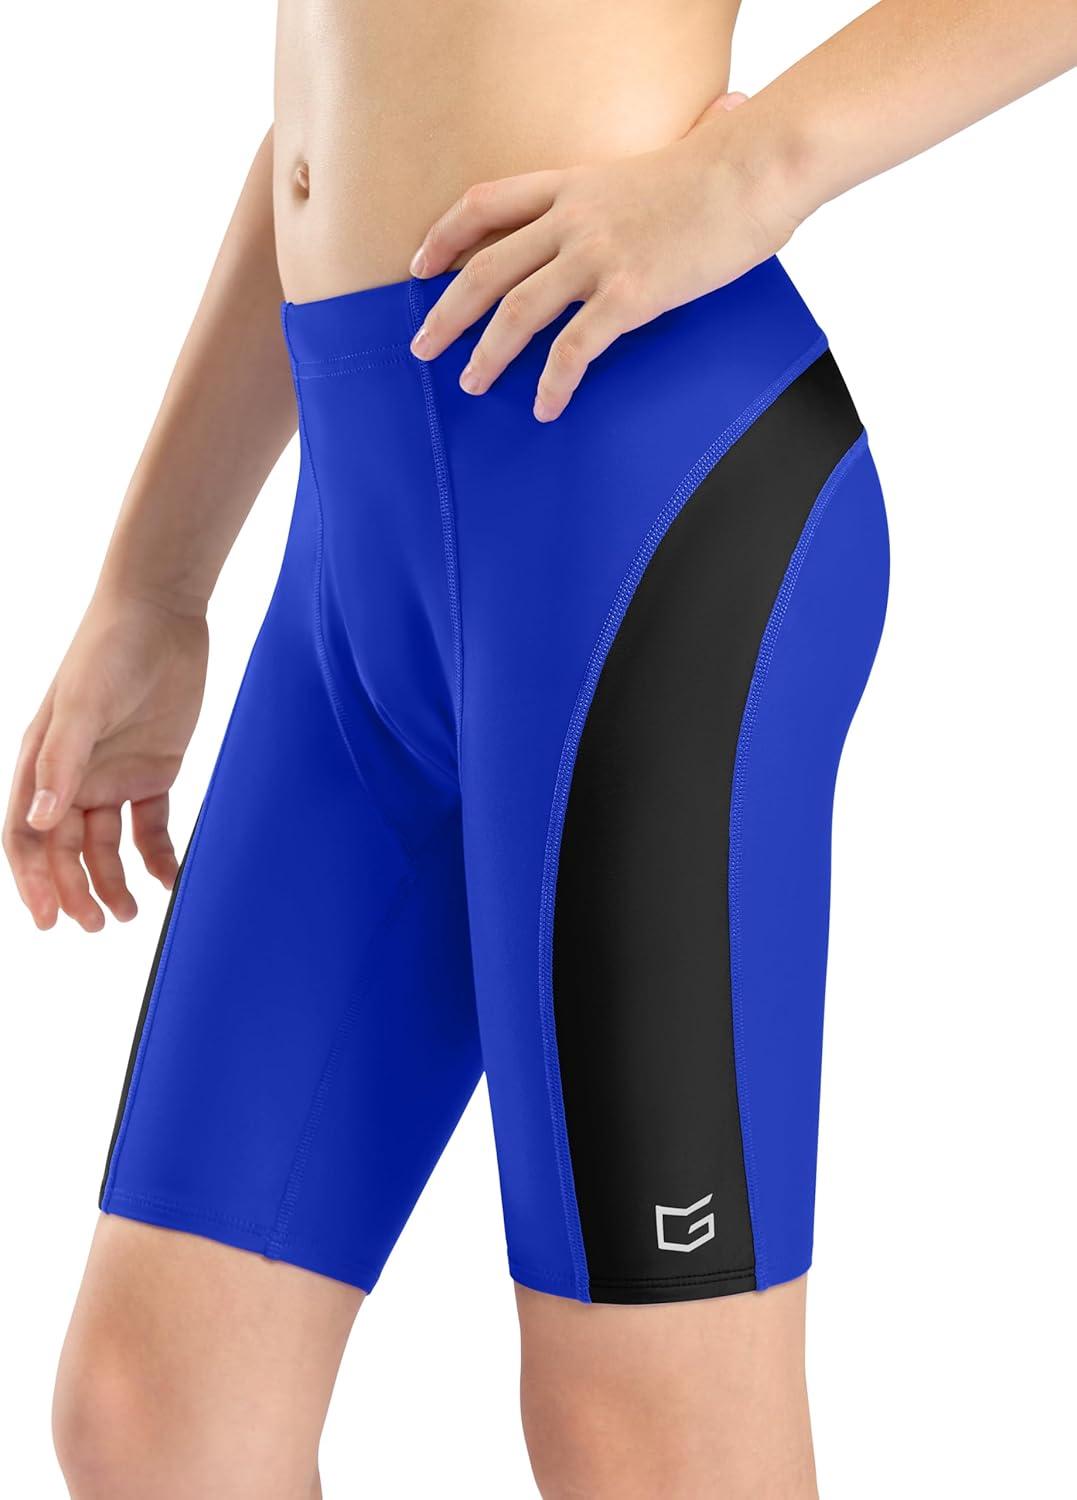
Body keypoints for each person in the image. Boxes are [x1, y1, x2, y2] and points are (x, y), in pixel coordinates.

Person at [5, 1, 1074, 1495]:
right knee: (154, 1411)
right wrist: (156, 578)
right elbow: (340, 93)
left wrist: (753, 169)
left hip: (633, 495)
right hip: (360, 538)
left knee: (640, 1434)